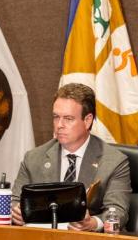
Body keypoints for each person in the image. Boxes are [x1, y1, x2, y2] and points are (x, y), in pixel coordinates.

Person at [11, 83, 131, 231]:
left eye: (68, 118)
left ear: (87, 120)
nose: (59, 125)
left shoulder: (113, 161)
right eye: (56, 117)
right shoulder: (34, 158)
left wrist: (93, 223)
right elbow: (14, 201)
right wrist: (16, 212)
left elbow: (118, 211)